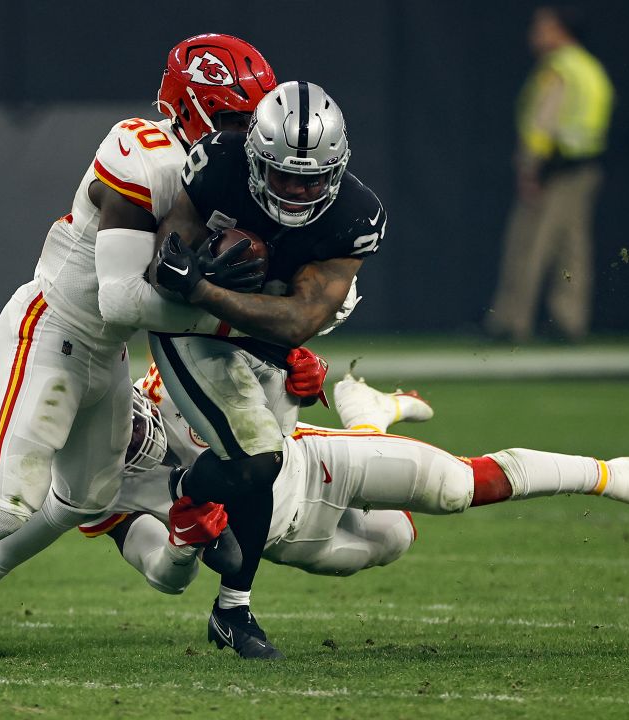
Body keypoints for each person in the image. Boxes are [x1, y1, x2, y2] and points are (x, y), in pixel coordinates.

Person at [0, 34, 276, 663]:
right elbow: (121, 300)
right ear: (190, 107)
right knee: (6, 502)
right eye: (233, 116)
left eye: (251, 117)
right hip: (52, 332)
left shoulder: (231, 176)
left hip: (106, 354)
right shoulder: (144, 153)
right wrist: (234, 322)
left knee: (87, 499)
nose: (244, 131)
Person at [0, 365, 629, 656]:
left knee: (456, 487)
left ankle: (616, 473)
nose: (128, 440)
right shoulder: (99, 495)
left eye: (121, 419)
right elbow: (160, 575)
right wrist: (186, 544)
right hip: (284, 542)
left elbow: (286, 370)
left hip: (312, 463)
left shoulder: (169, 379)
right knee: (394, 539)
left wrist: (316, 381)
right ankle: (375, 411)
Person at [147, 80, 383, 658]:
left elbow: (299, 319)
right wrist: (184, 262)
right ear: (256, 158)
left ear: (338, 168)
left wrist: (203, 286)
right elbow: (169, 251)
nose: (300, 190)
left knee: (259, 467)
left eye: (313, 178)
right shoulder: (219, 163)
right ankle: (234, 605)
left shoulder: (356, 213)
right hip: (192, 331)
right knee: (257, 459)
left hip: (265, 336)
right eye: (284, 176)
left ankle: (199, 516)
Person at [484, 5, 613, 344]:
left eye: (542, 27)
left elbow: (542, 123)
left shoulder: (557, 69)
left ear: (559, 30)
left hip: (553, 170)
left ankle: (511, 323)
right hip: (585, 168)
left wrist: (529, 168)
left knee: (528, 246)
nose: (535, 34)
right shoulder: (590, 68)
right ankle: (570, 323)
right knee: (572, 249)